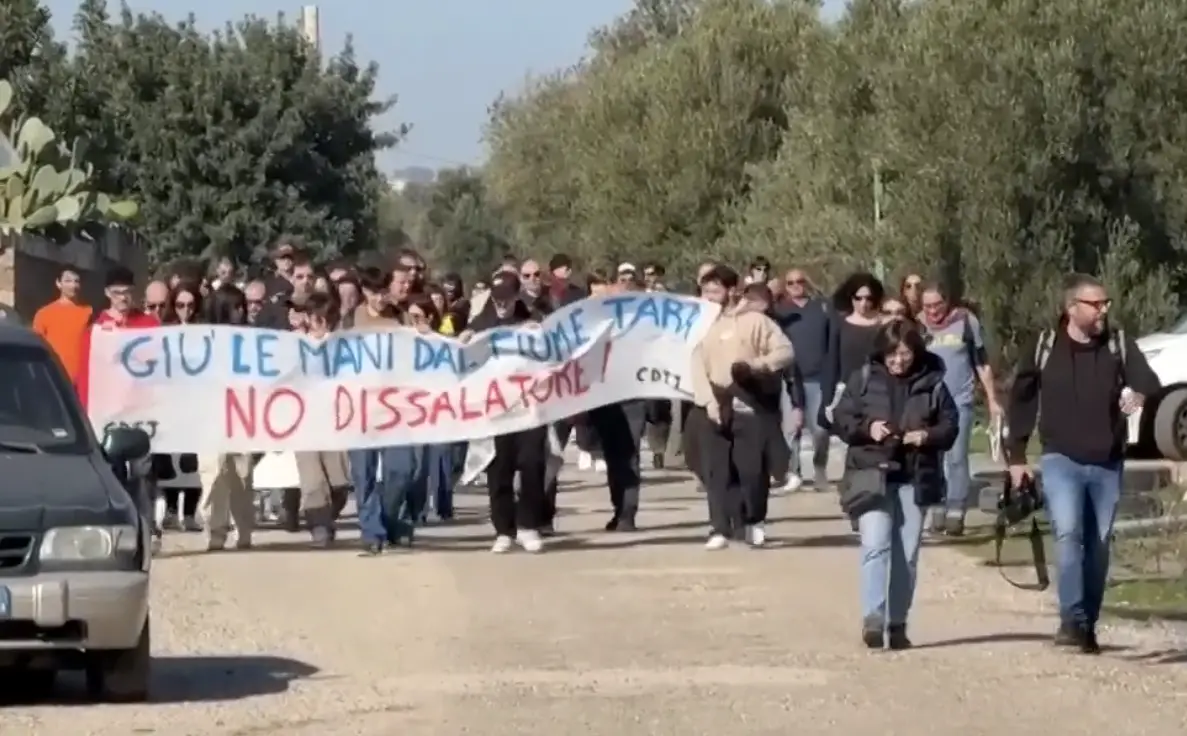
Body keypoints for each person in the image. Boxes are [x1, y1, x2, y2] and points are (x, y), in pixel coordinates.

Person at [1006, 273, 1160, 654]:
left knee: (1100, 544)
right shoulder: (1045, 346)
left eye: (1106, 303)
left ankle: (1087, 623)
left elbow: (1148, 383)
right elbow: (1021, 399)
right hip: (1061, 458)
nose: (1103, 310)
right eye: (1095, 304)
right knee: (1068, 534)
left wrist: (1136, 399)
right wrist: (1016, 456)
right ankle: (1071, 618)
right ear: (1071, 308)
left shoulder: (1118, 344)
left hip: (1107, 461)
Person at [831, 320, 959, 650]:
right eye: (892, 354)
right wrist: (868, 429)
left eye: (905, 354)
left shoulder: (934, 384)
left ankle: (898, 622)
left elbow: (951, 427)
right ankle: (873, 619)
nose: (898, 361)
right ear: (881, 353)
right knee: (875, 546)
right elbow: (842, 419)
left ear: (916, 352)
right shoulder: (862, 380)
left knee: (908, 555)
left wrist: (926, 436)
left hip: (914, 477)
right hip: (872, 473)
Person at [690, 265, 794, 549]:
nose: (709, 296)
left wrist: (758, 366)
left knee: (752, 470)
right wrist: (707, 401)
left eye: (715, 290)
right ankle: (719, 527)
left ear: (732, 290)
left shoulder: (756, 321)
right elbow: (695, 364)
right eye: (705, 291)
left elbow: (785, 351)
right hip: (714, 401)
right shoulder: (699, 325)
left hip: (749, 401)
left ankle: (754, 521)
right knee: (716, 470)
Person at [462, 271, 550, 553]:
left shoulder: (532, 320)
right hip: (495, 410)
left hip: (529, 408)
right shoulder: (481, 324)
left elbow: (551, 352)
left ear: (517, 296)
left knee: (532, 464)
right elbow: (462, 351)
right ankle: (503, 530)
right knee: (499, 468)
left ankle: (528, 526)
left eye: (507, 299)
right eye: (497, 299)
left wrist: (541, 336)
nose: (502, 305)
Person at [918, 282, 1000, 536]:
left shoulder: (965, 322)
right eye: (927, 306)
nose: (933, 311)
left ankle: (956, 510)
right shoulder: (918, 326)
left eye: (937, 305)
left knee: (956, 457)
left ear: (947, 302)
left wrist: (992, 400)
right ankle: (937, 508)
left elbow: (981, 363)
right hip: (927, 403)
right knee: (933, 458)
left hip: (959, 400)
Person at [197, 284, 256, 552]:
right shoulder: (202, 340)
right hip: (210, 413)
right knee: (213, 472)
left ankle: (244, 529)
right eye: (235, 307)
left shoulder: (253, 340)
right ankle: (215, 531)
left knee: (242, 473)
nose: (241, 311)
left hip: (242, 414)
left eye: (242, 306)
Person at [772, 268, 834, 490]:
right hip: (789, 379)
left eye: (800, 281)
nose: (796, 285)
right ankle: (794, 473)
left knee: (821, 430)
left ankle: (820, 468)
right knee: (792, 429)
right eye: (790, 283)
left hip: (818, 378)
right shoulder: (780, 313)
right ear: (785, 286)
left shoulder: (822, 309)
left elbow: (831, 342)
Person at [159, 282, 205, 533]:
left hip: (196, 403)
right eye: (180, 305)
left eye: (190, 305)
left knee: (191, 460)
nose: (185, 310)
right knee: (170, 457)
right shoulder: (164, 332)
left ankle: (189, 513)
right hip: (171, 402)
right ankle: (170, 510)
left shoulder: (206, 331)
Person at [820, 272, 885, 428]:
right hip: (846, 392)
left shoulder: (883, 326)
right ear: (851, 297)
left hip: (877, 392)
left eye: (868, 298)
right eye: (858, 298)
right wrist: (828, 400)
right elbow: (832, 363)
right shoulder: (840, 325)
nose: (864, 303)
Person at [32, 266, 93, 385]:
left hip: (81, 379)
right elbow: (36, 346)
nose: (73, 286)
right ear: (58, 284)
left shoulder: (88, 312)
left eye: (76, 281)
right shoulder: (44, 313)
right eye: (68, 281)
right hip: (53, 377)